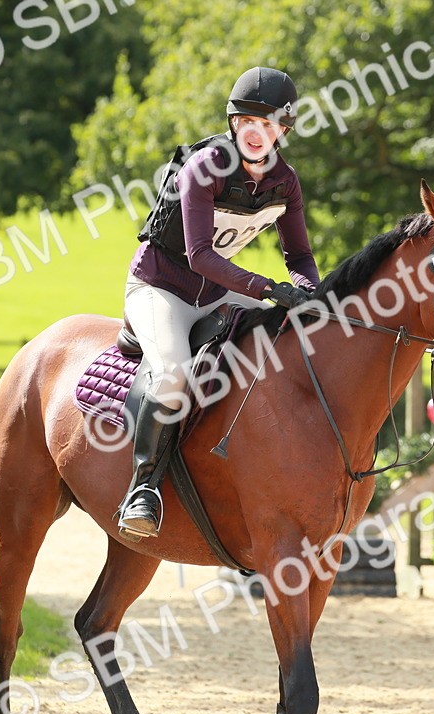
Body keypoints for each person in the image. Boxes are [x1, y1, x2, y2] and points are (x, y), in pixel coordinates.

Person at [117, 66, 320, 538]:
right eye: (250, 121)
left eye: (270, 125)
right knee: (172, 374)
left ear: (283, 131)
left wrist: (310, 291)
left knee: (284, 345)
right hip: (159, 286)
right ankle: (141, 489)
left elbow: (300, 255)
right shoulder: (203, 168)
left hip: (213, 293)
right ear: (234, 122)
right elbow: (200, 255)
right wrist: (268, 289)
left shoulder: (285, 183)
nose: (259, 133)